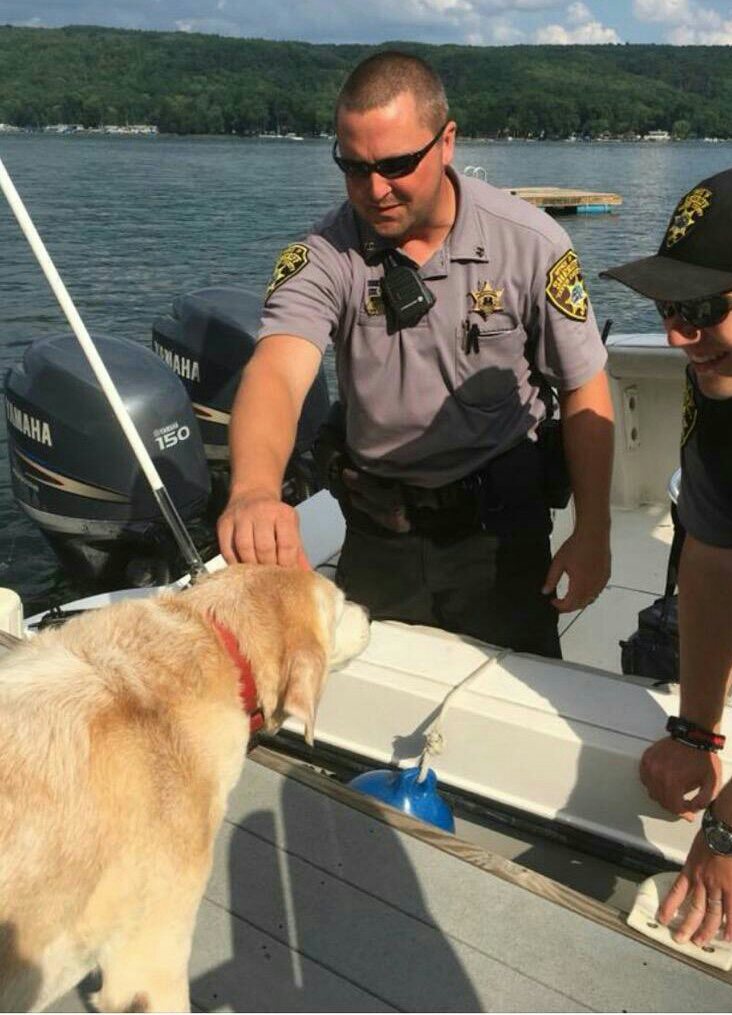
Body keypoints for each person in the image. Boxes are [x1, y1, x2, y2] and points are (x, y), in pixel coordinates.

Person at [218, 51, 614, 659]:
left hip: (501, 532)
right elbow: (277, 369)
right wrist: (252, 490)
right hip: (380, 531)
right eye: (354, 168)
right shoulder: (325, 255)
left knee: (513, 691)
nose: (375, 190)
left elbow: (585, 384)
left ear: (446, 141)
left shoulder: (531, 244)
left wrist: (593, 532)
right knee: (369, 685)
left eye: (397, 165)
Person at [601, 167, 732, 946]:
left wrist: (726, 831)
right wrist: (697, 731)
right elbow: (711, 561)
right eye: (666, 309)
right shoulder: (715, 390)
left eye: (703, 309)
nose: (678, 335)